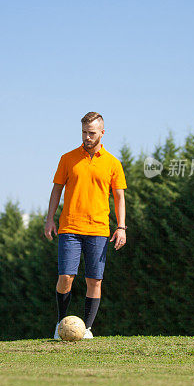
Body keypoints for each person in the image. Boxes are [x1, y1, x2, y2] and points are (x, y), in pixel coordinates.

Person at [44, 112, 127, 339]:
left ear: (102, 132)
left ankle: (87, 328)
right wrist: (49, 219)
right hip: (69, 227)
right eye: (84, 132)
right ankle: (61, 326)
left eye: (92, 133)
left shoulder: (113, 163)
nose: (87, 137)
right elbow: (56, 190)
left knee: (94, 280)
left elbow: (119, 197)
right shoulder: (67, 158)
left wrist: (121, 227)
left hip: (99, 229)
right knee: (66, 277)